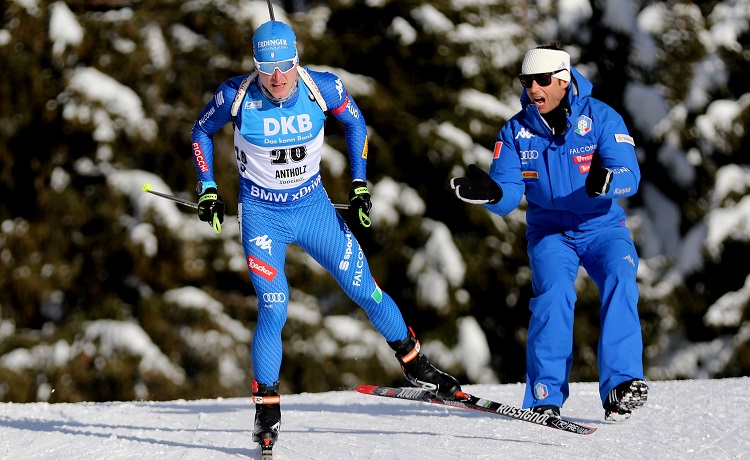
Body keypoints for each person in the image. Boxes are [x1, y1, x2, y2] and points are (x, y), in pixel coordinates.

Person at [190, 20, 463, 450]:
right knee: (274, 305)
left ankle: (416, 364)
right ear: (255, 64)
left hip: (313, 209)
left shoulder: (325, 89)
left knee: (365, 289)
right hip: (263, 217)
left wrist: (359, 185)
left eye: (285, 65)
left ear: (297, 59)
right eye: (267, 67)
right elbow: (201, 131)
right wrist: (207, 187)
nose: (277, 78)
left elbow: (356, 126)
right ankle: (266, 409)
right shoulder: (236, 96)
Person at [450, 44, 648, 422]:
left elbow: (630, 176)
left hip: (601, 227)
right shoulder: (515, 131)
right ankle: (545, 396)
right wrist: (492, 193)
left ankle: (621, 387)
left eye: (541, 81)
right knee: (554, 295)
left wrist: (606, 179)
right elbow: (507, 194)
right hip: (550, 233)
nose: (533, 89)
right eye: (527, 82)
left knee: (621, 278)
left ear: (563, 80)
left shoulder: (601, 118)